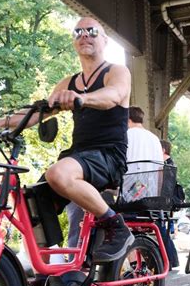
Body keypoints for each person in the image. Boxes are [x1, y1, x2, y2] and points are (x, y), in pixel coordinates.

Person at [0, 17, 134, 286]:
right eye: (78, 32)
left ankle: (115, 226)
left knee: (58, 172)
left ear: (104, 40)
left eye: (91, 31)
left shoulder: (116, 72)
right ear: (74, 41)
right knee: (34, 199)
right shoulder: (68, 83)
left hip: (108, 155)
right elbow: (35, 114)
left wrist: (81, 99)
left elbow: (112, 97)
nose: (84, 36)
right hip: (79, 155)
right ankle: (47, 284)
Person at [67, 105, 164, 248]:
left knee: (82, 196)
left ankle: (82, 248)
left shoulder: (125, 135)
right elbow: (161, 169)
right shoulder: (155, 139)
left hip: (128, 192)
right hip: (148, 193)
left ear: (126, 119)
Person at [159, 139, 180, 269]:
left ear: (162, 150)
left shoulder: (168, 166)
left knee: (162, 232)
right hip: (165, 203)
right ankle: (171, 260)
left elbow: (166, 188)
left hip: (164, 203)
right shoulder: (169, 164)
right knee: (162, 232)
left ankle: (171, 260)